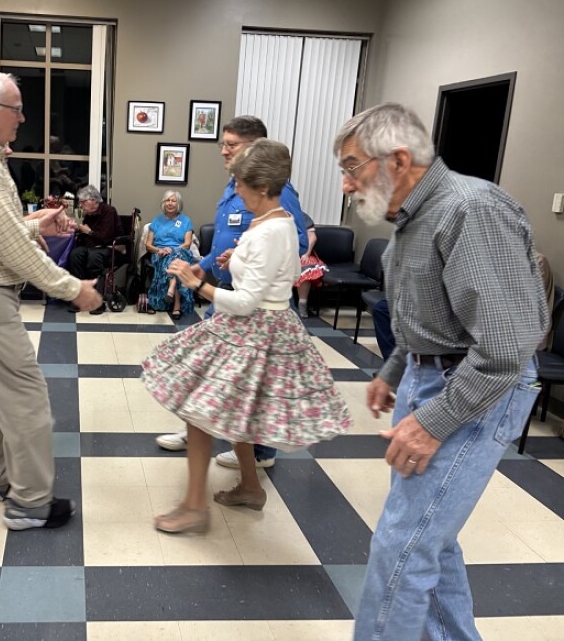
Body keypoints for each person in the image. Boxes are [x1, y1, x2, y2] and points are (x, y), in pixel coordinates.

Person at [333, 103, 548, 641]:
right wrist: (394, 369)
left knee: (403, 546)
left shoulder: (470, 210)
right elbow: (424, 316)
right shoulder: (411, 220)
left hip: (476, 390)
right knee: (431, 538)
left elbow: (505, 346)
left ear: (398, 159)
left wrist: (433, 421)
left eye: (352, 166)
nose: (345, 183)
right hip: (433, 379)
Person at [142, 139, 351, 534]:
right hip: (262, 327)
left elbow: (246, 301)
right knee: (239, 413)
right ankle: (251, 488)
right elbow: (283, 276)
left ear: (260, 187)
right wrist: (234, 261)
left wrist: (195, 283)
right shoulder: (277, 222)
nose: (234, 191)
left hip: (254, 329)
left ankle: (194, 506)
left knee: (199, 409)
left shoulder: (270, 230)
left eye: (239, 184)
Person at [0, 69, 102, 531]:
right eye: (16, 109)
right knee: (26, 397)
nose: (22, 117)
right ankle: (29, 502)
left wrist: (34, 224)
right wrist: (75, 289)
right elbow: (9, 249)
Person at [155, 115, 308, 470]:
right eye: (222, 144)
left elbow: (295, 242)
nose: (223, 151)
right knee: (211, 370)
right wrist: (204, 264)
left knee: (257, 384)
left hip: (254, 302)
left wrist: (249, 252)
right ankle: (197, 429)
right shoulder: (232, 187)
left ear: (255, 149)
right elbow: (224, 237)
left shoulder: (277, 191)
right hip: (227, 287)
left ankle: (259, 452)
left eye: (231, 145)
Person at [66, 184, 123, 315]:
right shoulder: (90, 214)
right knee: (75, 255)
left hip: (108, 247)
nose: (80, 205)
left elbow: (106, 237)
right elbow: (86, 235)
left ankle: (97, 301)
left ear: (93, 201)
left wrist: (89, 231)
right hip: (92, 247)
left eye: (82, 202)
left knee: (94, 257)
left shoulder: (109, 211)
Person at [145, 190, 194, 319]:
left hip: (181, 252)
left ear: (178, 203)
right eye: (168, 200)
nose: (170, 203)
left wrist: (173, 250)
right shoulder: (156, 221)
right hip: (160, 254)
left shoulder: (186, 221)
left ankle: (171, 289)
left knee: (176, 257)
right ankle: (176, 305)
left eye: (173, 200)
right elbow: (148, 245)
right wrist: (159, 250)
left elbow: (187, 244)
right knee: (175, 263)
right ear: (164, 203)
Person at [294, 212, 327, 318]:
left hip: (302, 253)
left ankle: (302, 304)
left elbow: (312, 237)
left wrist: (306, 254)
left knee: (307, 269)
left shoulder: (302, 216)